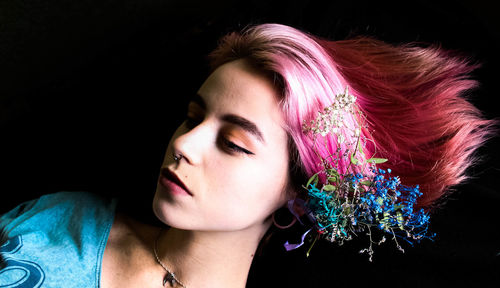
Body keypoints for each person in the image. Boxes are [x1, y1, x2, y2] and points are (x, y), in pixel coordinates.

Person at [0, 23, 494, 288]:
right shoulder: (61, 217)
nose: (183, 145)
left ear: (301, 193)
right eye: (193, 118)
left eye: (234, 143)